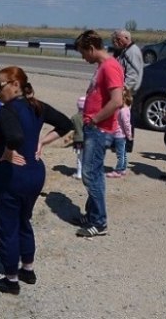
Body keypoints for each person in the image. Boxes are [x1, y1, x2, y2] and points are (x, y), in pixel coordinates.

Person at [0, 66, 72, 295]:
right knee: (24, 220)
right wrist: (42, 142)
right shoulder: (37, 106)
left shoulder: (7, 111)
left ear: (15, 85)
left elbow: (15, 136)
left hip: (12, 177)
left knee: (7, 227)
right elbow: (67, 124)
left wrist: (6, 151)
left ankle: (11, 280)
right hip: (35, 175)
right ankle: (28, 269)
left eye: (0, 85)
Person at [73, 30, 123, 238]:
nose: (83, 58)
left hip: (99, 129)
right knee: (95, 172)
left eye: (84, 53)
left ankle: (99, 222)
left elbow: (117, 101)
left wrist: (95, 118)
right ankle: (92, 214)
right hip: (94, 127)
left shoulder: (110, 67)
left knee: (90, 174)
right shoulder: (102, 66)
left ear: (92, 48)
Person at [107, 87, 134, 178]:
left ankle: (118, 171)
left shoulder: (123, 111)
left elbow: (127, 124)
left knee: (120, 154)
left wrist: (129, 135)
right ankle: (123, 169)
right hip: (120, 135)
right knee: (123, 153)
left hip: (120, 135)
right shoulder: (123, 109)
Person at [111, 29, 144, 95]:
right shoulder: (126, 50)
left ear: (127, 38)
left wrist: (122, 91)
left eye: (119, 39)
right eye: (117, 39)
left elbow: (132, 76)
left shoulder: (132, 51)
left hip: (128, 93)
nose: (117, 41)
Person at [70, 96, 86, 180]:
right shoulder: (88, 117)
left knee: (79, 157)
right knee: (86, 157)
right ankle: (85, 173)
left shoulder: (74, 117)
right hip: (87, 140)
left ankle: (79, 173)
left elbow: (71, 128)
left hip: (77, 140)